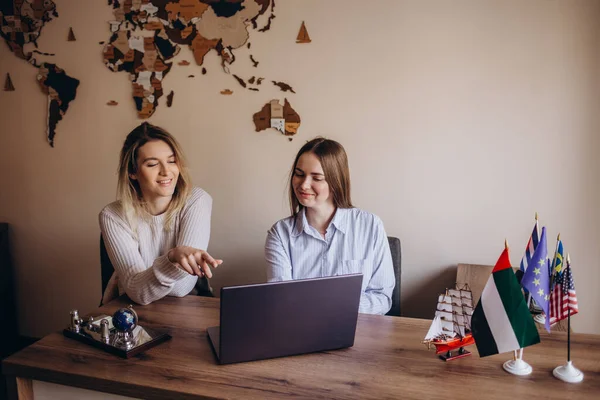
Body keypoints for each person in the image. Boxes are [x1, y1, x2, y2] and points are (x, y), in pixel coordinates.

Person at [265, 138, 395, 315]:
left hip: (358, 330)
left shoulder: (371, 225)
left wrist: (330, 307)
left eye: (317, 178)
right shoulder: (279, 233)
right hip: (300, 331)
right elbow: (282, 299)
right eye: (299, 174)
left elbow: (382, 298)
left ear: (336, 181)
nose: (303, 185)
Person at [99, 122, 222, 305]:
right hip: (131, 312)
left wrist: (146, 280)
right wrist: (172, 258)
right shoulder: (112, 215)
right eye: (152, 164)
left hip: (186, 308)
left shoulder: (197, 200)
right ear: (133, 172)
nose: (166, 171)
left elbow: (182, 288)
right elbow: (138, 293)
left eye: (172, 161)